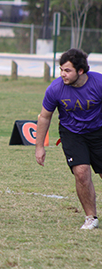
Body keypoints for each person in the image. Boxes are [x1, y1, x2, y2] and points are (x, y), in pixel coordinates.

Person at [35, 48, 102, 230]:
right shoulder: (55, 88)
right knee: (81, 173)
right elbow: (44, 117)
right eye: (61, 70)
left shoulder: (99, 83)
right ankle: (91, 217)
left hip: (98, 132)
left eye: (67, 70)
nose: (62, 74)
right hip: (71, 133)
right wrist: (39, 146)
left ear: (80, 71)